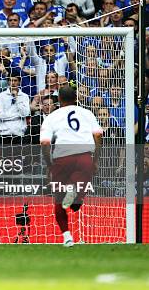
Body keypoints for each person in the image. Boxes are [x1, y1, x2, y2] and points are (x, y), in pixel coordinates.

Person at [40, 86, 103, 247]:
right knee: (76, 203)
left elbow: (45, 143)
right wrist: (95, 160)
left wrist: (49, 165)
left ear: (59, 100)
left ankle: (67, 237)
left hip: (62, 158)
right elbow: (98, 135)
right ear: (76, 98)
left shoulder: (52, 117)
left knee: (59, 201)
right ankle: (75, 194)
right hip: (84, 157)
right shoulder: (87, 113)